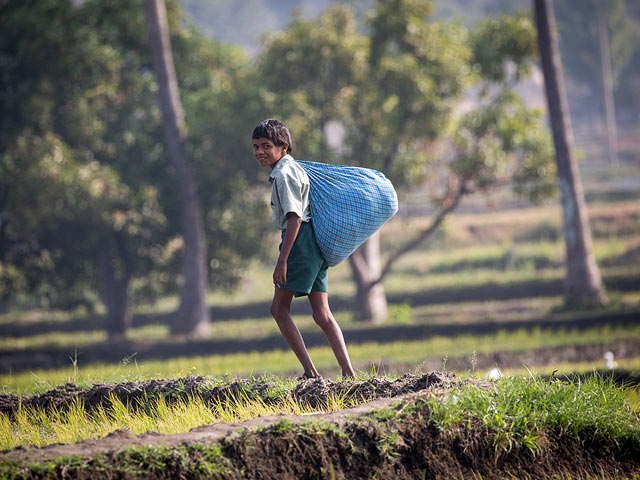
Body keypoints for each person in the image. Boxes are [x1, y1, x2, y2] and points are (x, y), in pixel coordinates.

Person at [252, 119, 356, 380]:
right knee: (322, 314)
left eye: (266, 146)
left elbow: (294, 218)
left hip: (299, 241)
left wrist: (282, 260)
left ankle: (311, 373)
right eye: (255, 147)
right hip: (314, 241)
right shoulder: (292, 168)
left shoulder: (284, 175)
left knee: (279, 309)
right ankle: (349, 374)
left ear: (283, 147)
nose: (259, 152)